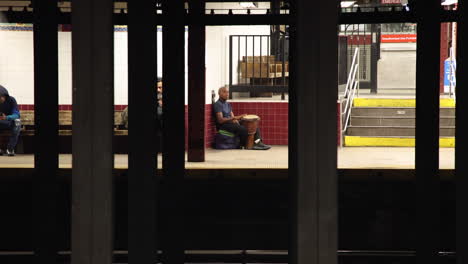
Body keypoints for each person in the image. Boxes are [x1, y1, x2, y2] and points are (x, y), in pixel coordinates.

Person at [0, 85, 21, 156]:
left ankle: (10, 149)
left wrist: (7, 117)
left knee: (17, 122)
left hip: (9, 122)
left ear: (4, 96)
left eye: (1, 97)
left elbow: (17, 115)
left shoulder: (11, 100)